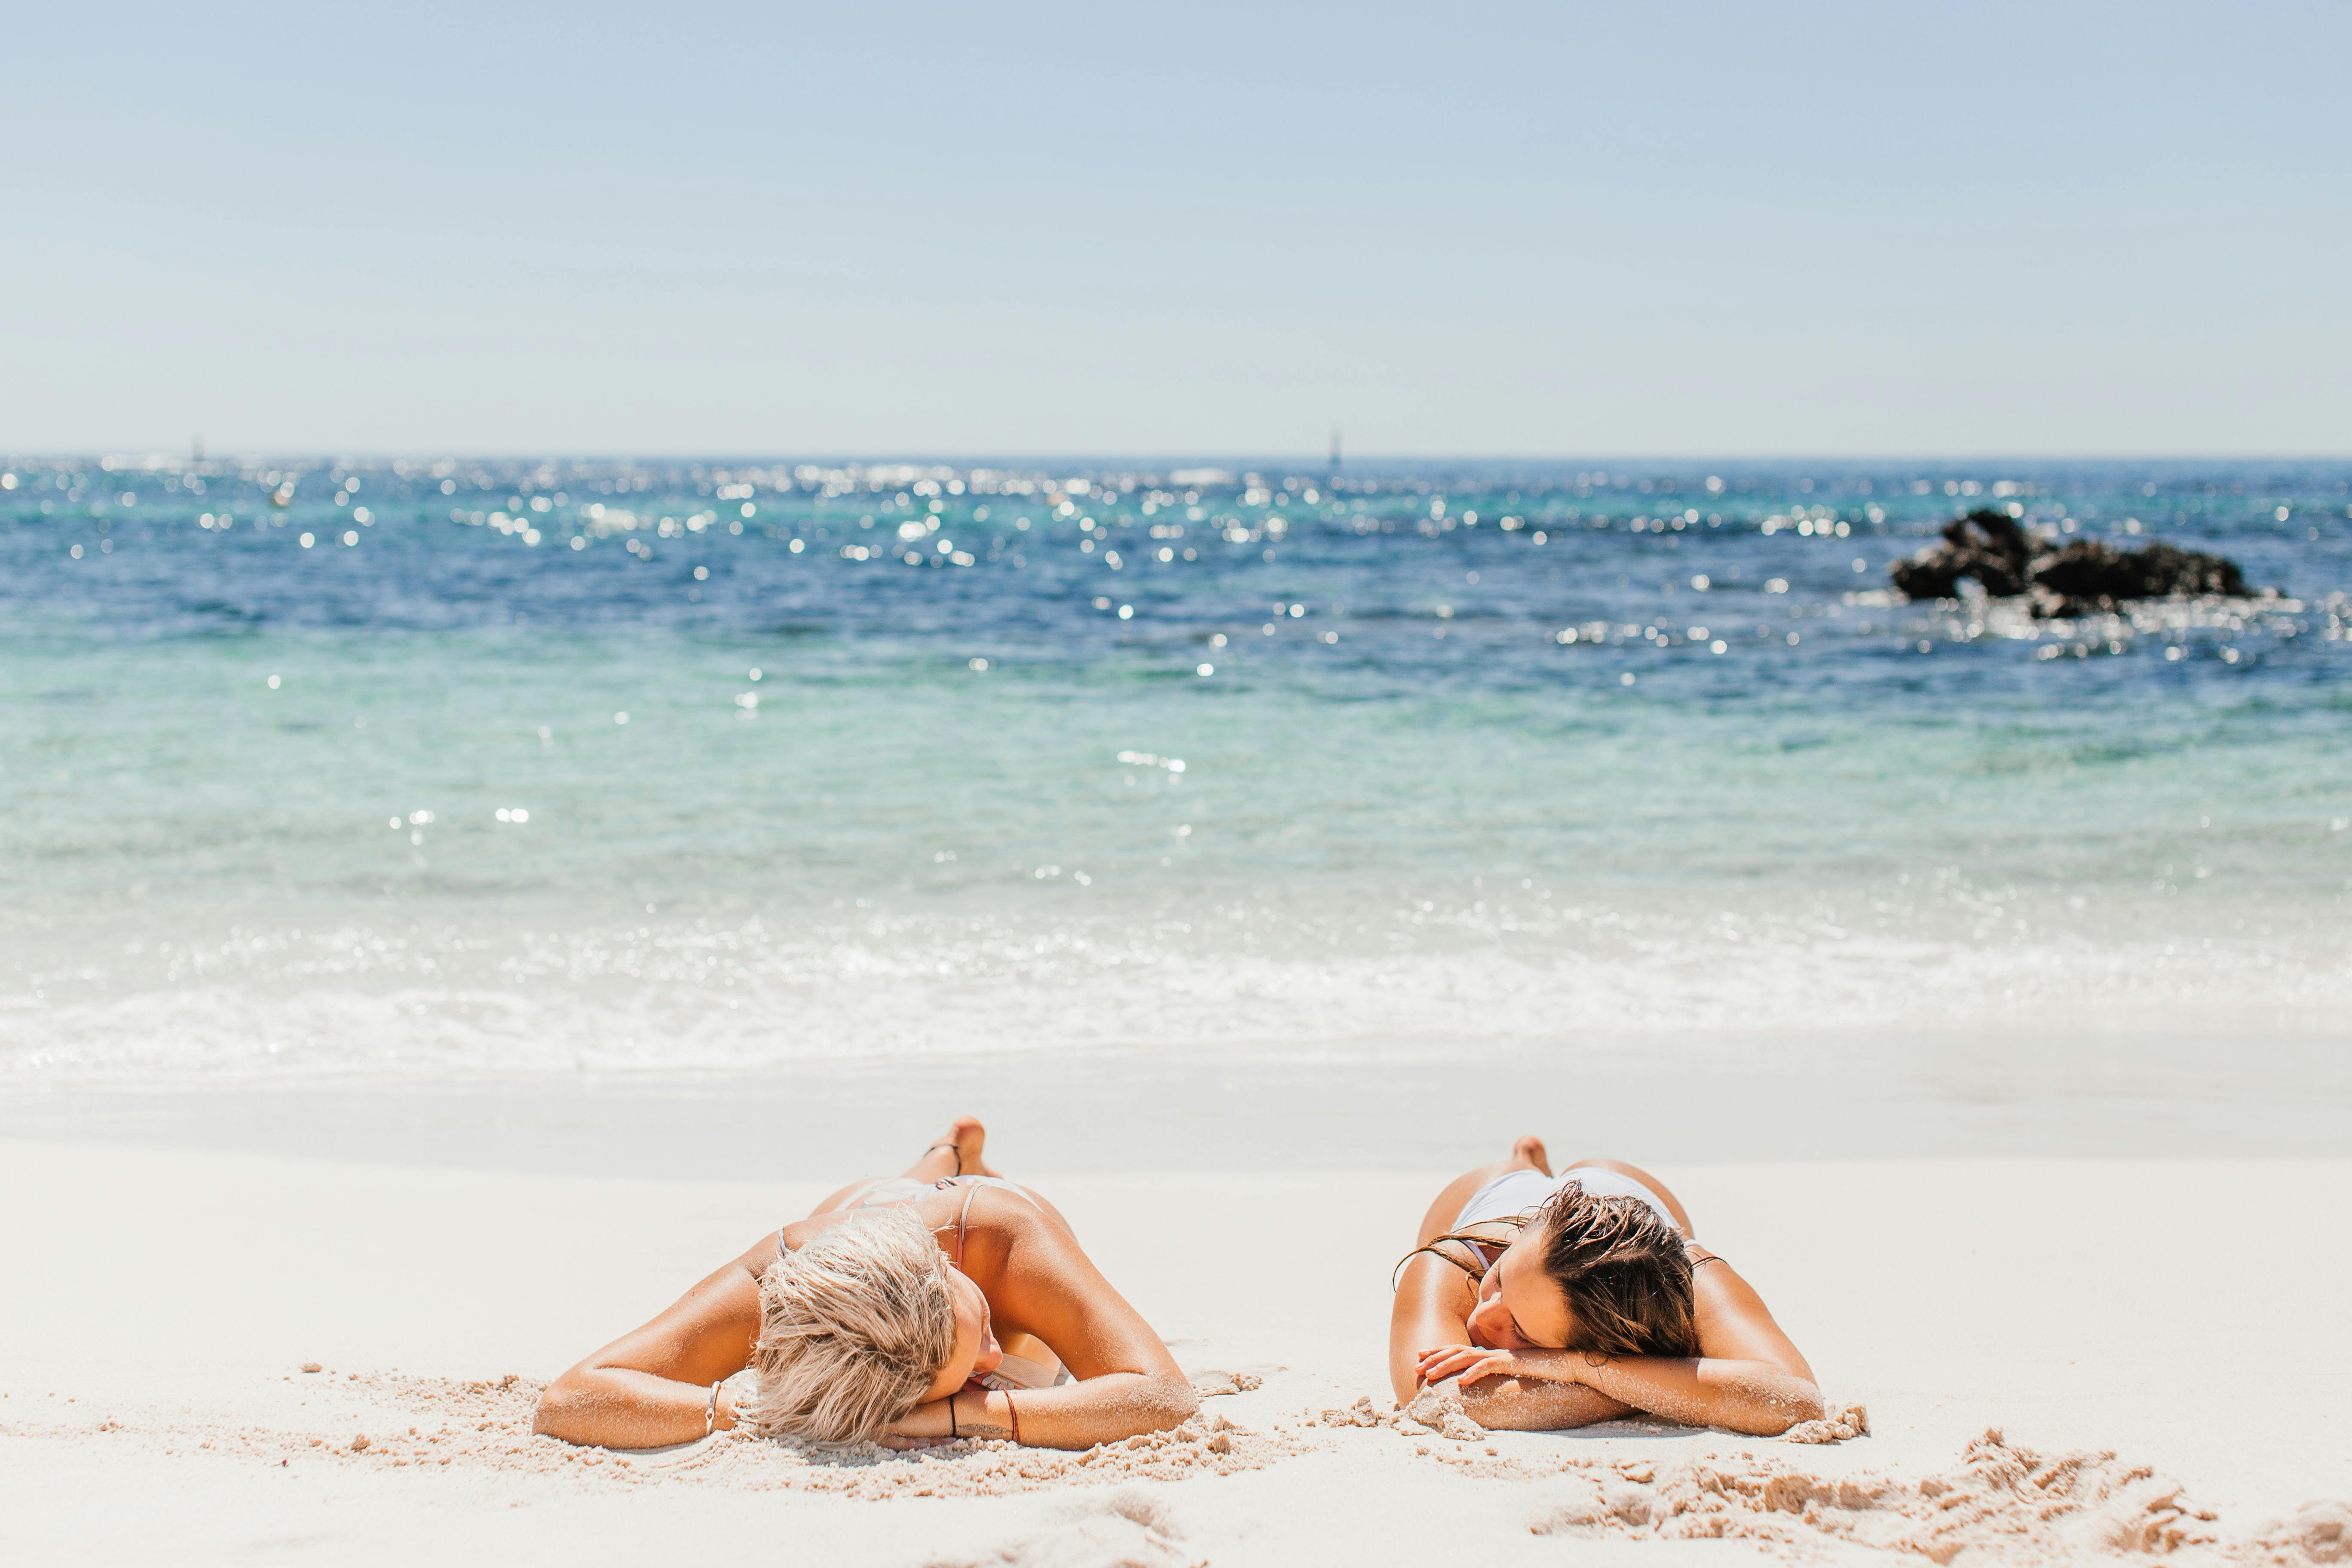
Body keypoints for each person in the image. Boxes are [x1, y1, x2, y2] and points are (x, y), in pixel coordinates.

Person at [535, 1118, 1196, 1450]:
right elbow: (570, 1399)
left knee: (928, 1193)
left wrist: (969, 1409)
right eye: (970, 1367)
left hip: (968, 1212)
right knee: (885, 1194)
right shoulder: (788, 1276)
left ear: (947, 1268)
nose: (994, 1358)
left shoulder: (1003, 1234)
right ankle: (942, 1153)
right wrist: (756, 1414)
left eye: (978, 1331)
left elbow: (1165, 1396)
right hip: (856, 1221)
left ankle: (957, 1156)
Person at [1389, 1135, 1823, 1434]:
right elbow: (1437, 1398)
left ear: (1607, 1341)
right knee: (1513, 1170)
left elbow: (1798, 1399)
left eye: (1520, 1331)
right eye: (1500, 1283)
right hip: (1495, 1196)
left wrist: (1580, 1369)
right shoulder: (1456, 1265)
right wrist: (1660, 1381)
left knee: (1606, 1194)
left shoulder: (1695, 1278)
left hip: (1625, 1192)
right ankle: (1526, 1160)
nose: (1481, 1318)